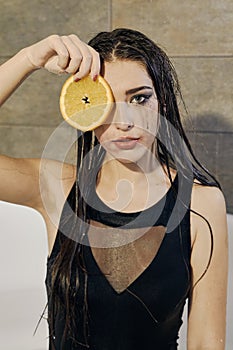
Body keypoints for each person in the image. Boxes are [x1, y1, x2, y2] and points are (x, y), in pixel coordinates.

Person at [0, 28, 228, 350]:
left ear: (161, 102)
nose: (124, 121)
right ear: (86, 110)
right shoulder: (57, 187)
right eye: (105, 101)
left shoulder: (202, 203)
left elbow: (206, 342)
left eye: (139, 98)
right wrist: (28, 59)